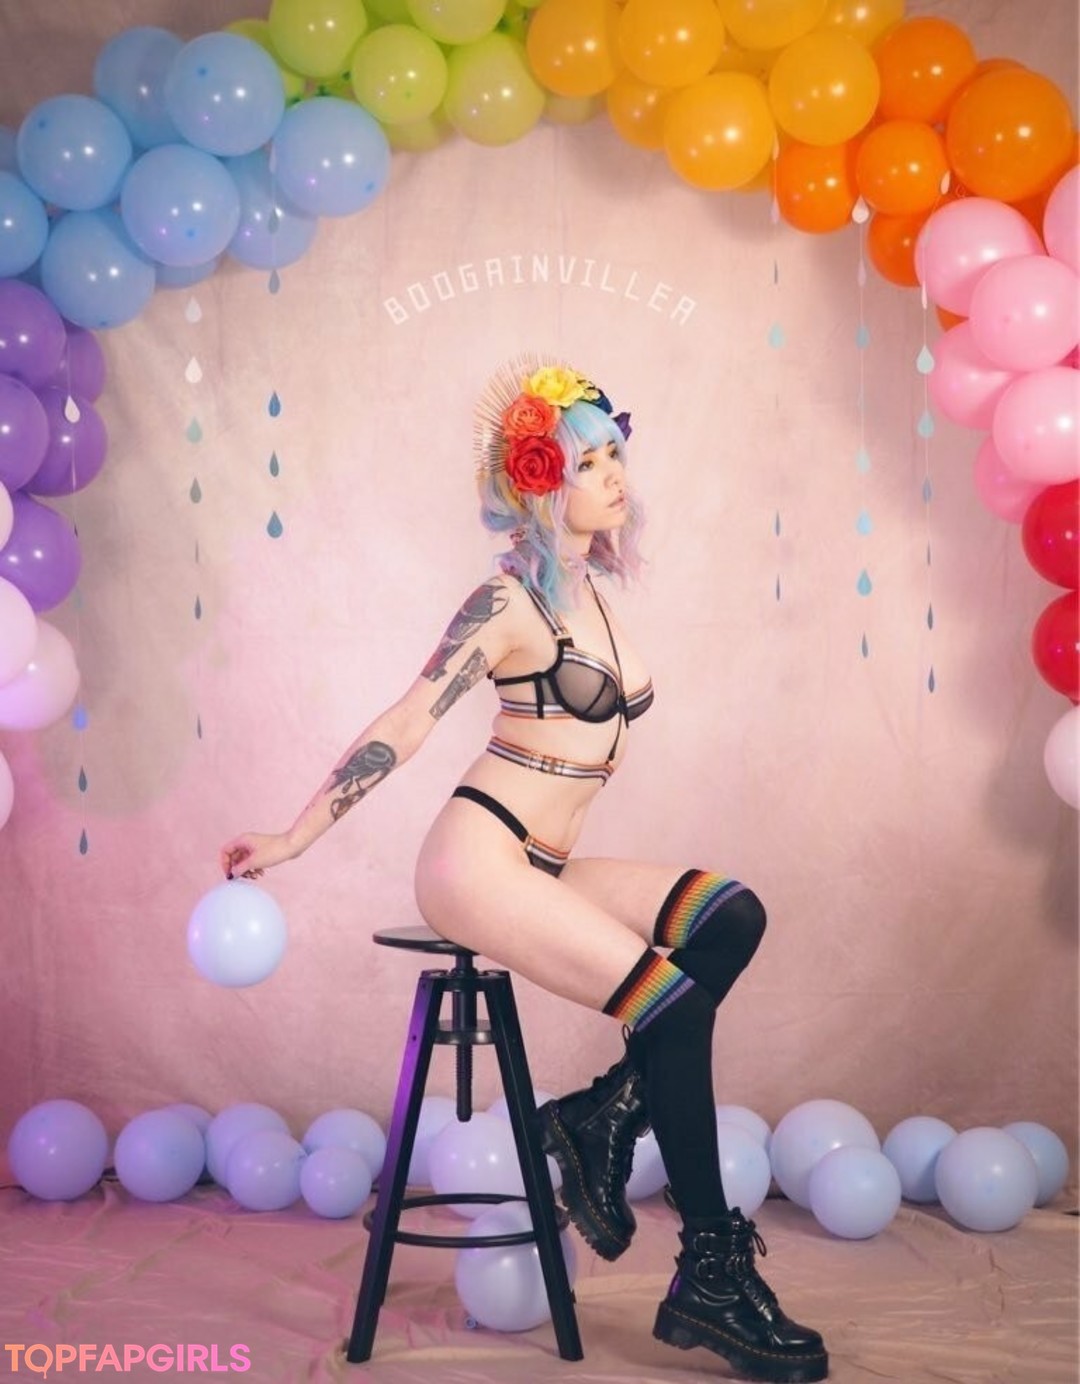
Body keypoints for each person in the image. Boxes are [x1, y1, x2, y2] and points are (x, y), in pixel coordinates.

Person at [220, 355, 829, 1384]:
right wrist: (291, 839)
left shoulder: (594, 594)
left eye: (616, 455)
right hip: (475, 860)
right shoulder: (506, 603)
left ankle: (600, 1117)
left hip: (545, 864)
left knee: (731, 916)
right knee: (672, 1005)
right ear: (542, 482)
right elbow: (407, 721)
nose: (614, 475)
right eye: (588, 461)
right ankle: (711, 1274)